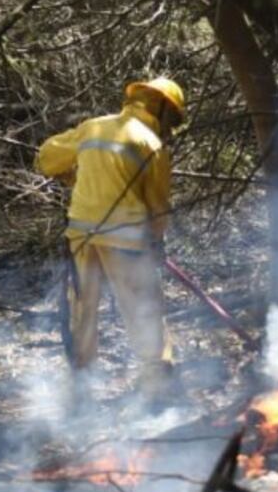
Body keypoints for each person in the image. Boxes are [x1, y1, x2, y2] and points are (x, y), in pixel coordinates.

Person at [35, 77, 185, 396]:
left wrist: (72, 175)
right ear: (160, 110)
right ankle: (158, 388)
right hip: (127, 239)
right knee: (143, 308)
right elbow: (158, 207)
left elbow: (46, 158)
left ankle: (81, 388)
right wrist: (156, 242)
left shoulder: (94, 127)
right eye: (171, 118)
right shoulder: (152, 145)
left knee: (82, 310)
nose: (170, 127)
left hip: (82, 235)